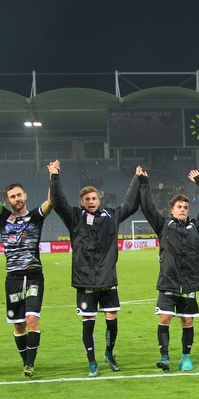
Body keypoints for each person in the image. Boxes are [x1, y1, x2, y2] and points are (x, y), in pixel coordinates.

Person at [49, 160, 141, 377]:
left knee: (112, 319)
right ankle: (92, 362)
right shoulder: (74, 218)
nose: (91, 202)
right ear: (81, 202)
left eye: (94, 198)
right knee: (88, 322)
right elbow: (59, 201)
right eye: (87, 199)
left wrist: (137, 180)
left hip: (107, 277)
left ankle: (109, 353)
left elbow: (129, 203)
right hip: (85, 279)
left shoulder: (111, 216)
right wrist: (54, 177)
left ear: (99, 200)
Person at [0, 161, 54, 378]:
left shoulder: (35, 216)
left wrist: (53, 175)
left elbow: (52, 201)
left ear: (26, 196)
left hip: (33, 276)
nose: (17, 199)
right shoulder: (3, 218)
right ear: (8, 200)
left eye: (19, 195)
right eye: (12, 196)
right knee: (19, 325)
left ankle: (30, 365)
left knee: (32, 319)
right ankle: (26, 361)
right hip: (13, 278)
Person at [140, 169, 199, 372]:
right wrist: (144, 183)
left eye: (186, 207)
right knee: (165, 318)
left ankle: (186, 358)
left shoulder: (195, 228)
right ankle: (164, 356)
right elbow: (147, 208)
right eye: (179, 207)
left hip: (188, 283)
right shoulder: (164, 226)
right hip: (168, 282)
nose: (183, 210)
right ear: (171, 210)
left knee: (187, 321)